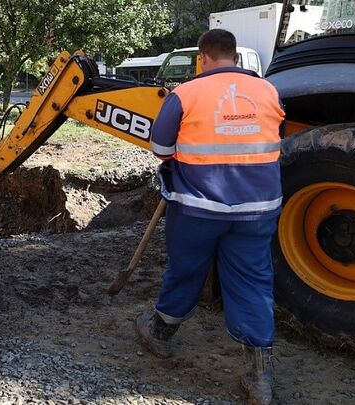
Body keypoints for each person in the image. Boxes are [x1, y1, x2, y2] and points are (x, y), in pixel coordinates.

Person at [135, 29, 285, 405]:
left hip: (199, 208)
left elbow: (160, 147)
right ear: (234, 56)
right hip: (258, 208)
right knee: (253, 280)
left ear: (203, 57)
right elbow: (274, 134)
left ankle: (160, 334)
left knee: (186, 269)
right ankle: (259, 378)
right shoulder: (267, 90)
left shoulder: (185, 94)